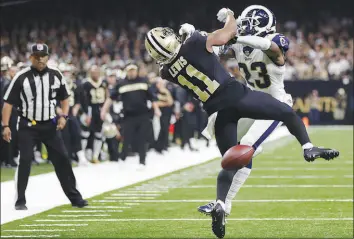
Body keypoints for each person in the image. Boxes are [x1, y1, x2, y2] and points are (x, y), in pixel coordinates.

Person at [144, 8, 339, 238]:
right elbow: (218, 40)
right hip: (244, 99)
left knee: (232, 158)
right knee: (251, 144)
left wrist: (198, 36)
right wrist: (221, 21)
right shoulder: (214, 41)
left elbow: (219, 51)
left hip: (220, 109)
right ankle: (307, 147)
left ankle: (221, 203)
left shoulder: (166, 71)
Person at [196, 4, 295, 218]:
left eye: (247, 23)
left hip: (275, 106)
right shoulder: (241, 43)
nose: (243, 26)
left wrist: (235, 34)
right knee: (232, 150)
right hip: (251, 102)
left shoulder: (276, 40)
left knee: (246, 147)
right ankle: (222, 205)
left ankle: (222, 203)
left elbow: (269, 45)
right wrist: (197, 36)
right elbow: (213, 45)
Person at [1, 43, 88, 210]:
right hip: (28, 125)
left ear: (48, 56)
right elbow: (8, 103)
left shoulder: (56, 75)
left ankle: (75, 198)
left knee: (63, 159)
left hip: (50, 125)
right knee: (25, 160)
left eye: (43, 55)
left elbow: (65, 98)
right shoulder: (21, 76)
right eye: (37, 56)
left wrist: (63, 116)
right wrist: (5, 126)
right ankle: (20, 199)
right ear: (31, 57)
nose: (40, 59)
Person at [100, 64, 161, 169]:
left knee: (142, 139)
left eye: (133, 70)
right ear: (126, 71)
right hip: (129, 115)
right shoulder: (122, 84)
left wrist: (156, 109)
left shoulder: (143, 81)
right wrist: (104, 110)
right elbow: (111, 97)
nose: (131, 72)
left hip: (143, 114)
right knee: (126, 138)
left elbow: (152, 97)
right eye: (129, 70)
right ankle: (122, 159)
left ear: (136, 71)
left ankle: (142, 161)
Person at [80, 65, 109, 163]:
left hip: (100, 110)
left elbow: (107, 96)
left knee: (99, 133)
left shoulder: (104, 82)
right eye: (93, 72)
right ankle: (82, 156)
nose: (95, 74)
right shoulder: (86, 84)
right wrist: (87, 113)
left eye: (96, 71)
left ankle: (95, 156)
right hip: (90, 110)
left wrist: (105, 110)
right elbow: (84, 100)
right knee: (86, 133)